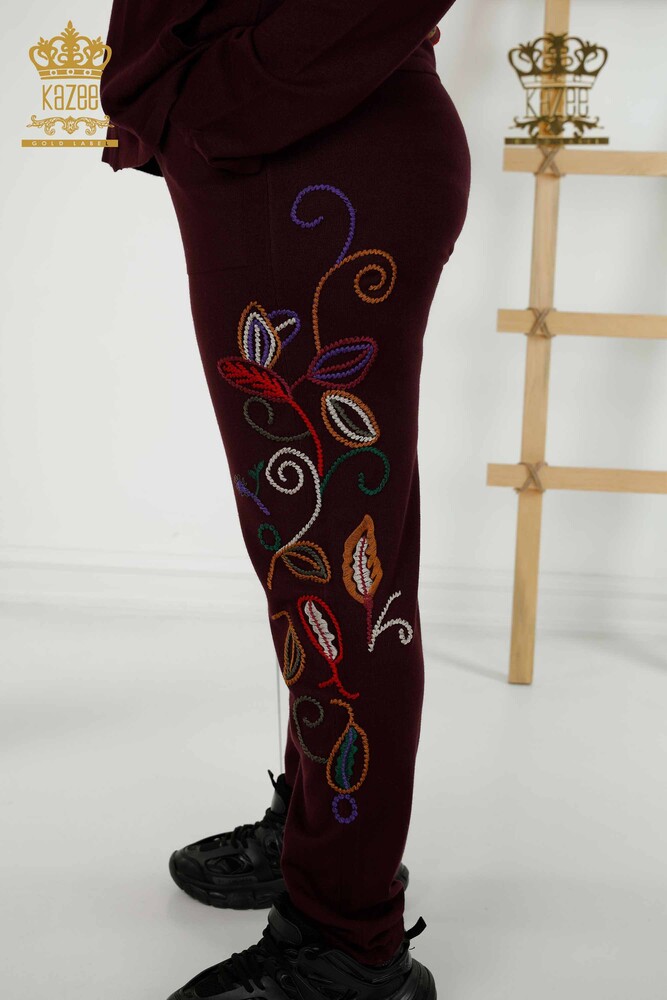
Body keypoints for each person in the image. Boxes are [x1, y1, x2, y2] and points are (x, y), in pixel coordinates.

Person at [99, 1, 471, 997]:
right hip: (284, 148)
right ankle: (320, 835)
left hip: (312, 153)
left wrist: (227, 94)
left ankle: (346, 935)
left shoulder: (261, 112)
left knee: (337, 570)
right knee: (320, 555)